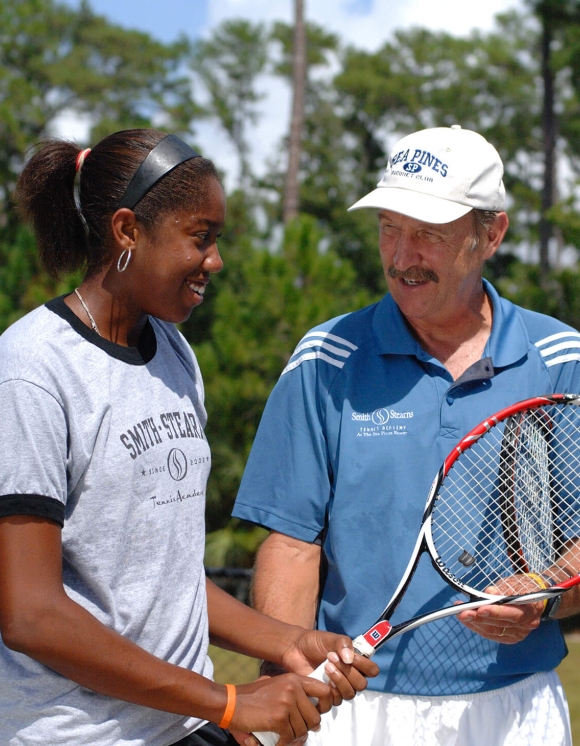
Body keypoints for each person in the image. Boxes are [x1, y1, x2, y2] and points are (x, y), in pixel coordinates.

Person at [0, 129, 378, 746]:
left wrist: (287, 641)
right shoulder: (31, 371)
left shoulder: (173, 353)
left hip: (183, 725)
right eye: (200, 238)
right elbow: (30, 614)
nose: (216, 261)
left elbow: (164, 575)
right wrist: (229, 702)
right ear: (127, 231)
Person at [232, 125, 580, 746]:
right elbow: (291, 544)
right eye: (390, 227)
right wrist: (280, 679)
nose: (401, 255)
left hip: (516, 710)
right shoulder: (324, 359)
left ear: (491, 234)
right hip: (354, 709)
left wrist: (545, 595)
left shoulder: (560, 359)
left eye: (429, 234)